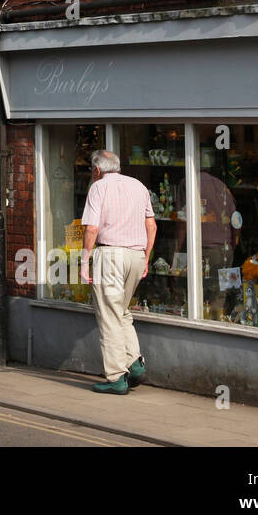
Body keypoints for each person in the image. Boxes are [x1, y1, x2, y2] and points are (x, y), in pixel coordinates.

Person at [79, 149, 157, 394]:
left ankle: (116, 378)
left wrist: (84, 261)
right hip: (135, 255)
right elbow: (151, 225)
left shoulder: (98, 188)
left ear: (97, 170)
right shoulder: (139, 186)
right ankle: (134, 364)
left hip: (110, 255)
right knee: (121, 312)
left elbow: (92, 228)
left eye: (92, 171)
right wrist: (145, 258)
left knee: (109, 317)